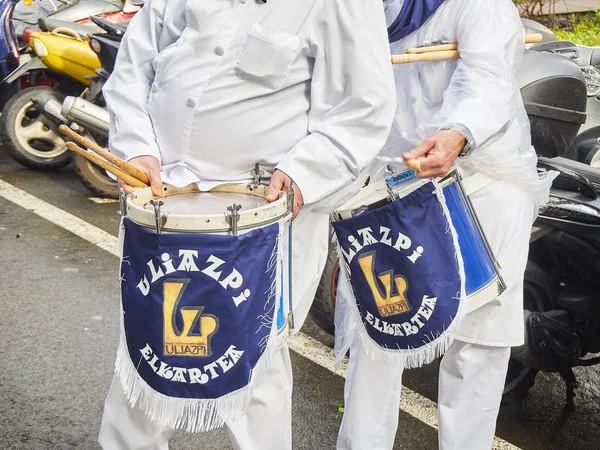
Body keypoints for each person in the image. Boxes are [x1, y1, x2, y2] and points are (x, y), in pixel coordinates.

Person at [97, 0, 396, 449]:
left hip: (262, 217)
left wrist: (305, 172)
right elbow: (133, 69)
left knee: (255, 366)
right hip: (163, 206)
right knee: (146, 354)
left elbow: (364, 107)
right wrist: (136, 145)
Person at [336, 0, 553, 449]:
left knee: (479, 345)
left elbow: (488, 78)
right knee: (378, 333)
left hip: (483, 180)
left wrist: (457, 130)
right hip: (393, 184)